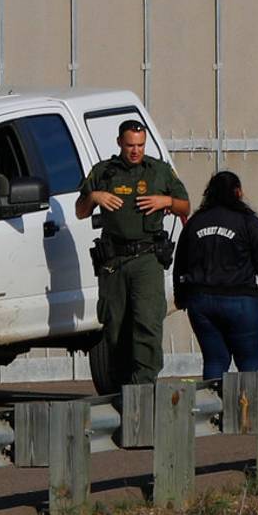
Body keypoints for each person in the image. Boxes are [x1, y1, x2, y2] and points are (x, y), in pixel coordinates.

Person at [76, 119, 190, 386]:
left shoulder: (158, 171)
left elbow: (185, 207)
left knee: (147, 323)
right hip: (114, 261)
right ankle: (119, 387)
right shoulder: (103, 172)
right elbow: (80, 211)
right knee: (115, 327)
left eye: (140, 145)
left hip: (147, 259)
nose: (135, 151)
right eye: (130, 145)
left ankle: (144, 387)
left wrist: (167, 202)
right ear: (119, 143)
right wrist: (94, 197)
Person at [173, 171, 258, 381]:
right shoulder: (249, 223)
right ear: (238, 192)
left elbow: (180, 263)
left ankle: (214, 411)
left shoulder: (195, 223)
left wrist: (181, 297)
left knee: (215, 361)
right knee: (250, 364)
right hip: (241, 302)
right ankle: (249, 412)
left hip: (201, 303)